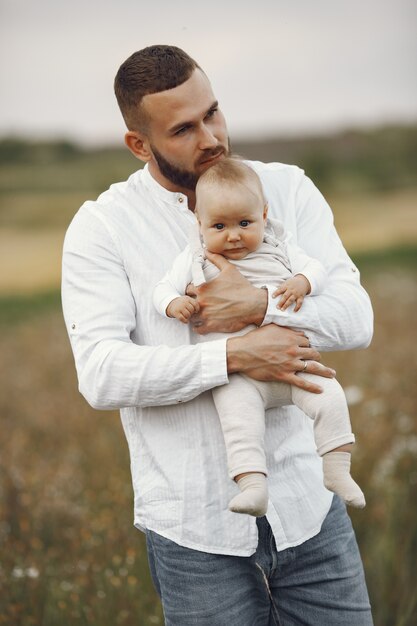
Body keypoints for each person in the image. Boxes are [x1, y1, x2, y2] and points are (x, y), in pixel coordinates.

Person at [61, 45, 374, 624]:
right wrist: (233, 355)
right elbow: (101, 373)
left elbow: (357, 317)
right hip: (194, 533)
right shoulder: (102, 227)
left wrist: (259, 305)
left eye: (213, 113)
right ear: (139, 144)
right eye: (183, 128)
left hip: (310, 510)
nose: (211, 137)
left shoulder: (286, 188)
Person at [153, 157, 365, 517]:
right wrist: (173, 304)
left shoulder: (279, 245)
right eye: (219, 225)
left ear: (264, 215)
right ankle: (253, 486)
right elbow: (162, 289)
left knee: (330, 396)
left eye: (245, 223)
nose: (234, 235)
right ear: (199, 223)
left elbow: (317, 268)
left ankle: (336, 468)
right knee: (239, 423)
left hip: (292, 361)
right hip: (237, 375)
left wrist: (303, 282)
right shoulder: (194, 257)